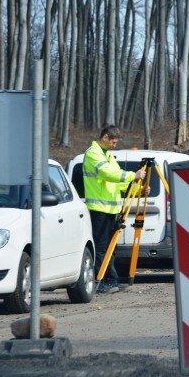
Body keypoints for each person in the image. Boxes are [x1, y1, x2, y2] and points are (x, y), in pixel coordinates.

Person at [83, 125, 149, 294]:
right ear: (105, 137)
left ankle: (111, 279)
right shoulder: (93, 153)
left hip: (111, 210)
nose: (114, 145)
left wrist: (138, 191)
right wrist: (132, 175)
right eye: (113, 142)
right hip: (98, 209)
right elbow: (107, 174)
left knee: (111, 248)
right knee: (101, 247)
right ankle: (102, 280)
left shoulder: (108, 156)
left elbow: (119, 183)